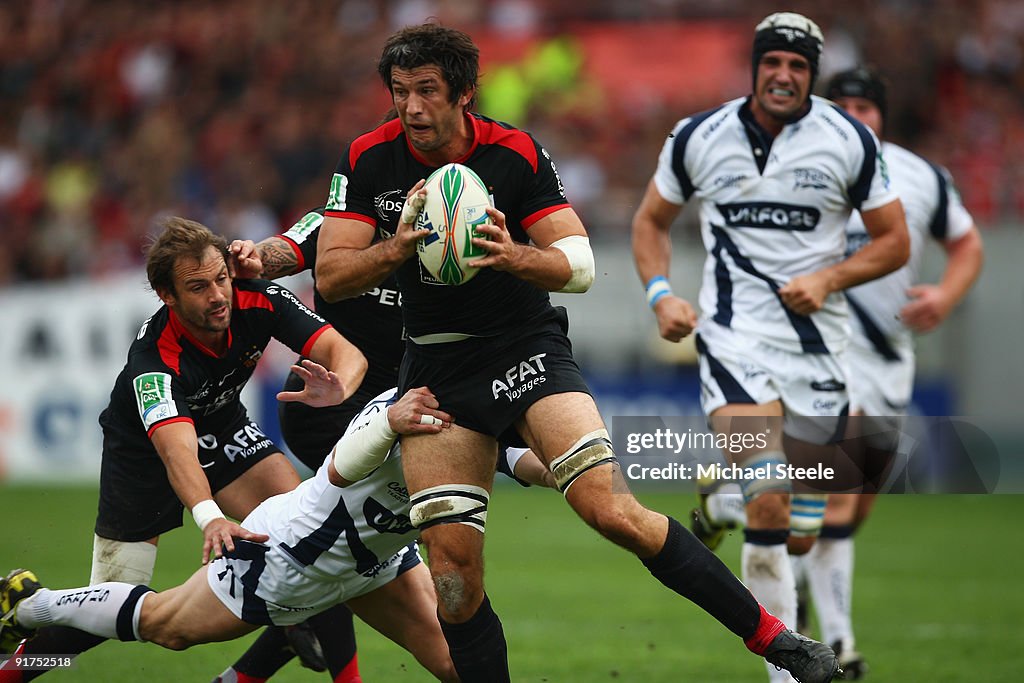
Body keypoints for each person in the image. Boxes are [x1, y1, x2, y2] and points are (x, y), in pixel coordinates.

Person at [314, 21, 840, 683]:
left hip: (524, 351)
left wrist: (513, 256)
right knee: (452, 575)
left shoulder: (515, 154)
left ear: (465, 93)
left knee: (610, 508)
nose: (411, 107)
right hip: (438, 369)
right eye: (400, 92)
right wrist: (402, 242)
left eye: (426, 90)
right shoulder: (368, 157)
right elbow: (331, 276)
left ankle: (777, 641)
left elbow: (580, 262)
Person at [630, 12, 910, 682]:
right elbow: (651, 221)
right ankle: (789, 673)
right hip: (734, 340)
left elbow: (895, 240)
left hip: (820, 353)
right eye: (773, 62)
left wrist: (830, 277)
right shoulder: (698, 135)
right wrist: (662, 294)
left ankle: (720, 501)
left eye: (798, 65)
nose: (784, 74)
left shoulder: (848, 141)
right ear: (756, 66)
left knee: (802, 530)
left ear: (811, 75)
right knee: (772, 499)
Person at [0, 217, 367, 683]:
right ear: (166, 295)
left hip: (222, 426)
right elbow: (178, 455)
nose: (217, 296)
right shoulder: (153, 363)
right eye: (197, 287)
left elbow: (346, 352)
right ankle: (15, 662)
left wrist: (340, 388)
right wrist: (209, 515)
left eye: (220, 279)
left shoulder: (258, 297)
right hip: (143, 455)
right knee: (112, 607)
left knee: (306, 539)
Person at [0, 387, 547, 681]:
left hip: (375, 565)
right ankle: (30, 605)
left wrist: (583, 463)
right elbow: (335, 472)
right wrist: (386, 424)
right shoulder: (394, 406)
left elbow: (528, 463)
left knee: (460, 665)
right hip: (286, 558)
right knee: (168, 626)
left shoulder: (479, 420)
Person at [789, 66, 984, 678]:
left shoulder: (922, 175)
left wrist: (947, 297)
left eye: (864, 106)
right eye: (841, 104)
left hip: (890, 360)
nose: (853, 115)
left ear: (882, 114)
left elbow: (968, 244)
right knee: (828, 502)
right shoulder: (804, 167)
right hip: (824, 353)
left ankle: (806, 618)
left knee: (852, 507)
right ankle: (832, 643)